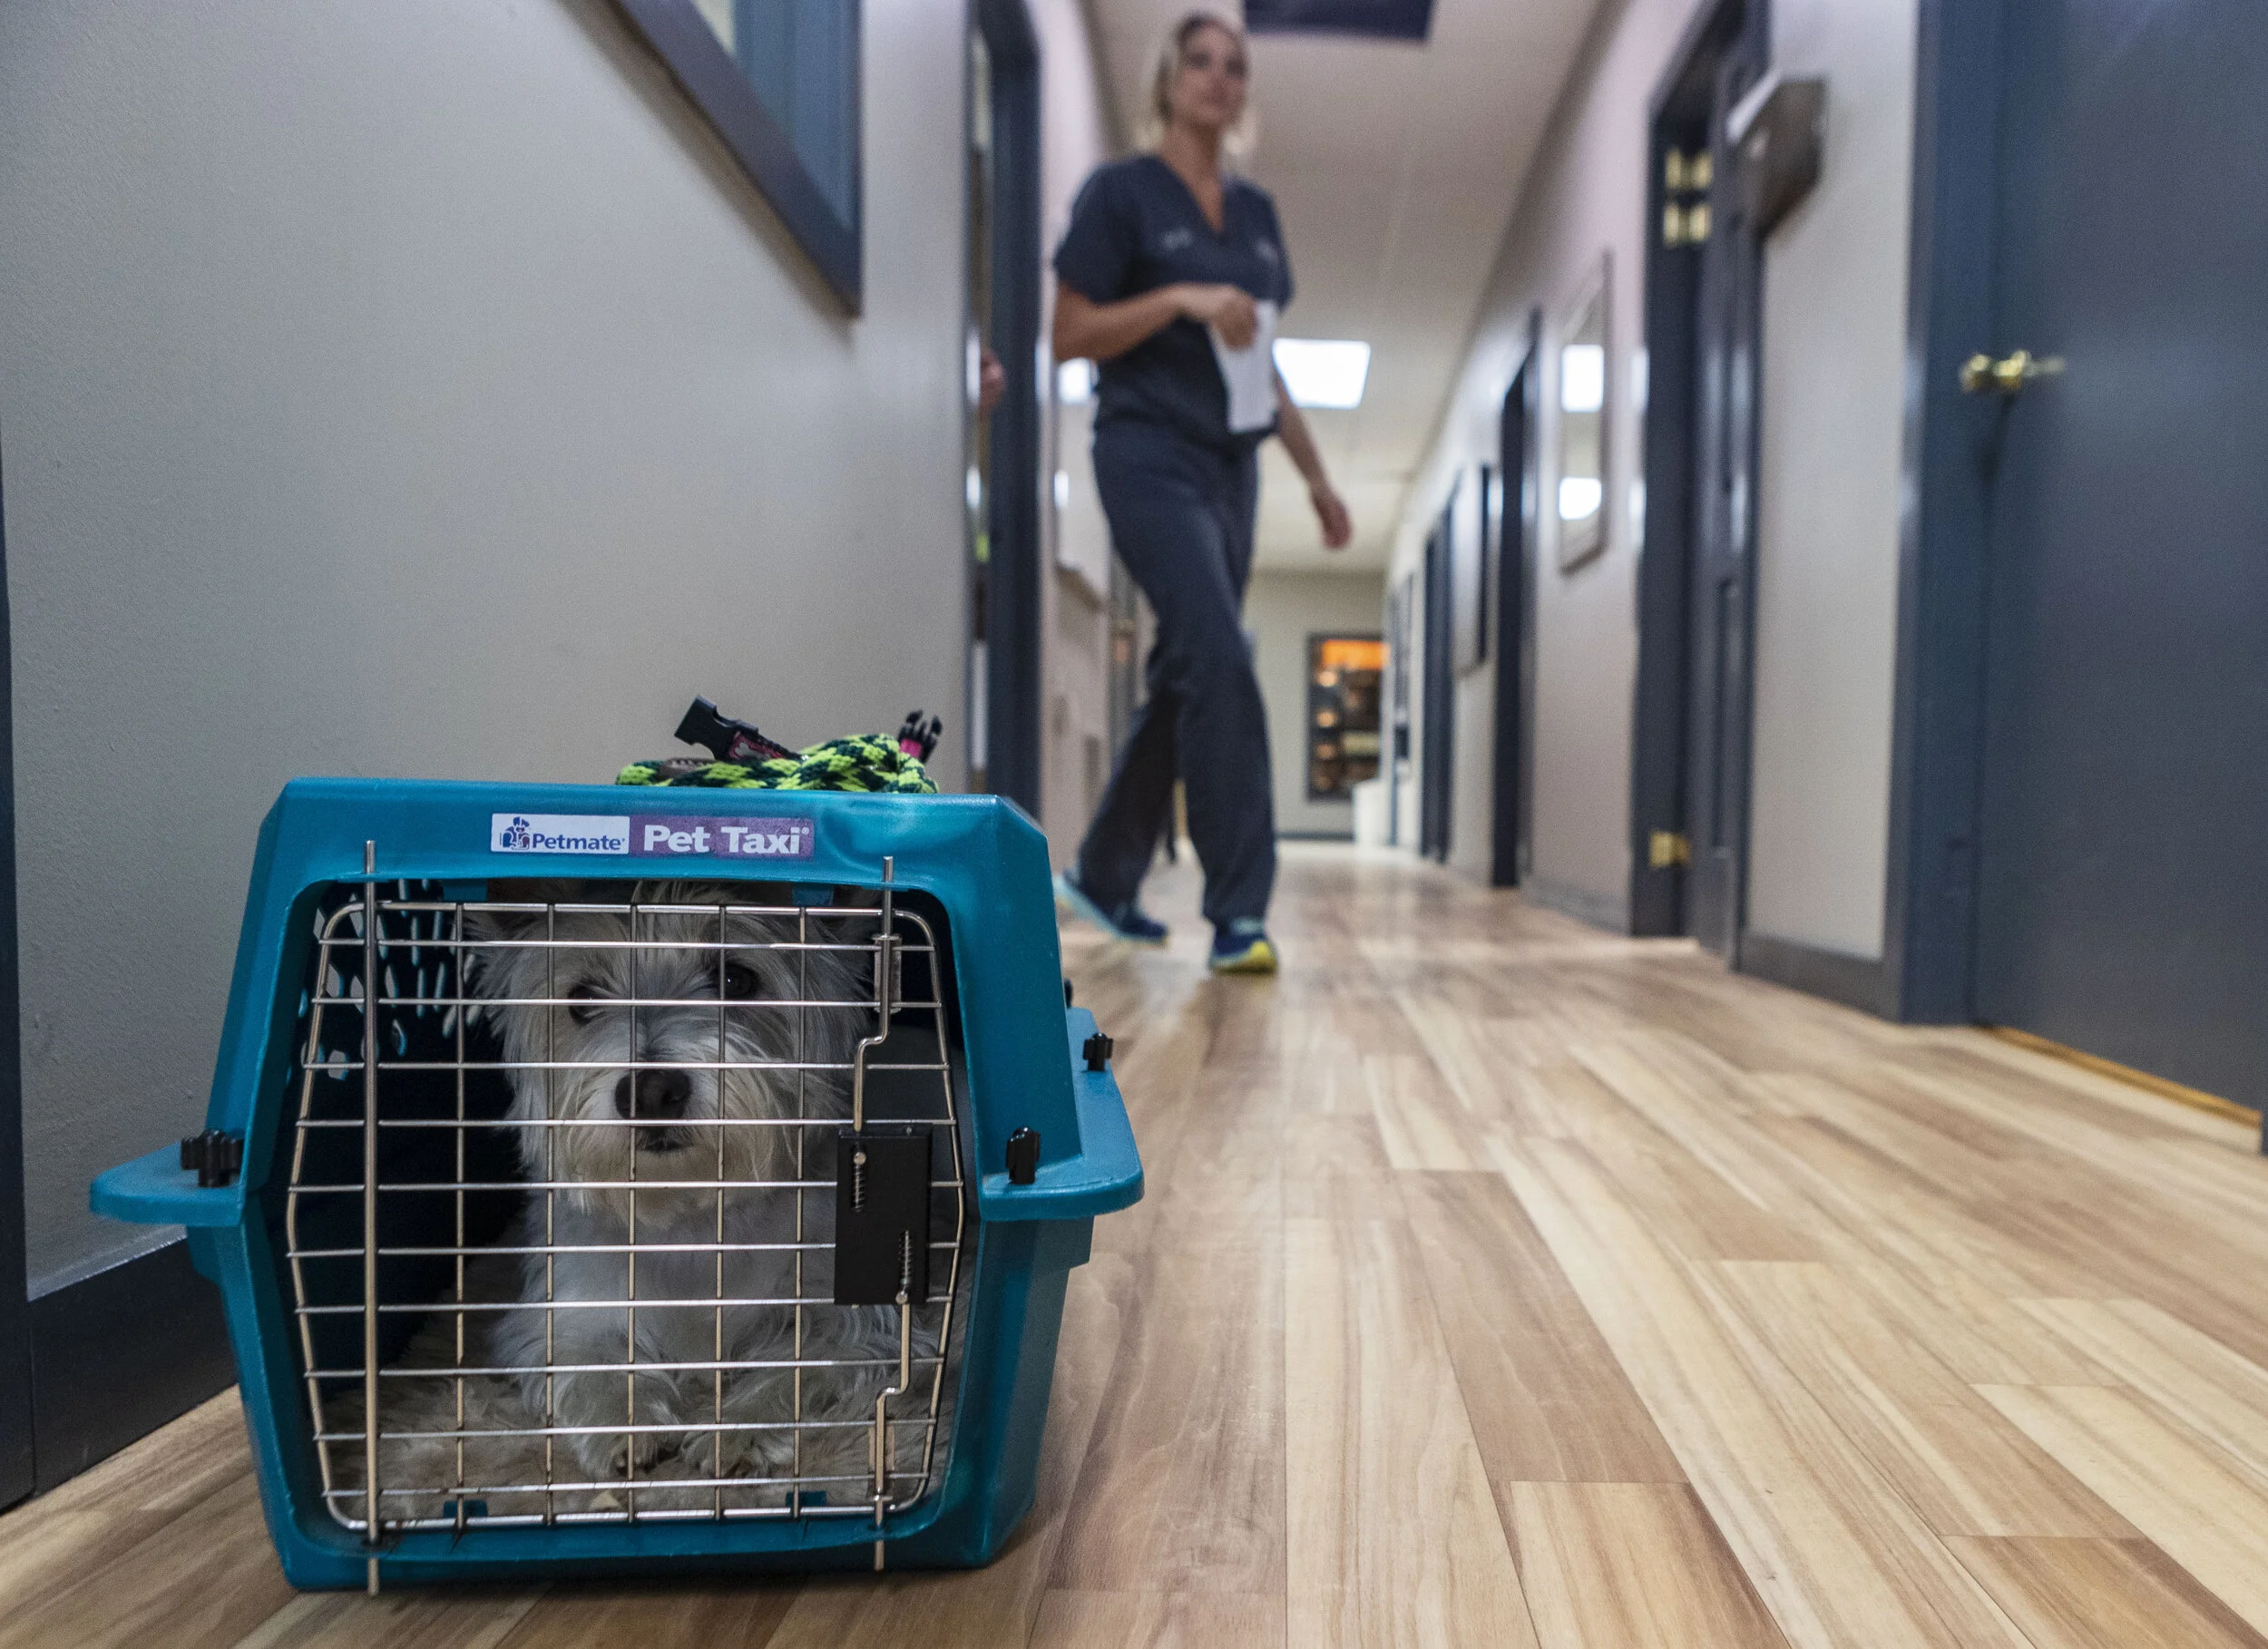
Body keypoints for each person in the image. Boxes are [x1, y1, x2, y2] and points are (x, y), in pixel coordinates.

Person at [1049, 9, 1351, 976]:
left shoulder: (1256, 216)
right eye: (1202, 62)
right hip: (1144, 451)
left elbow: (1264, 369)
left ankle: (1103, 868)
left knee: (1190, 668)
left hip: (1232, 467)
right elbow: (1069, 332)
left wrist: (1317, 477)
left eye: (1235, 66)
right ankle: (1238, 913)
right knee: (1223, 654)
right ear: (1169, 79)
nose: (1219, 79)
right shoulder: (1122, 194)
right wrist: (1178, 298)